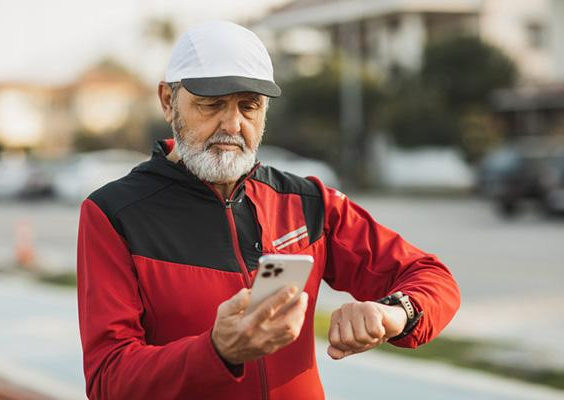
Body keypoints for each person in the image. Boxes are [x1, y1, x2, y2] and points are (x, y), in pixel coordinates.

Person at [77, 20, 460, 400]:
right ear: (167, 101)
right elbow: (108, 381)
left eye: (249, 106)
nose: (232, 124)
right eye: (211, 104)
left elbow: (431, 277)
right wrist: (216, 352)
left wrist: (392, 314)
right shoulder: (114, 214)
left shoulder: (306, 201)